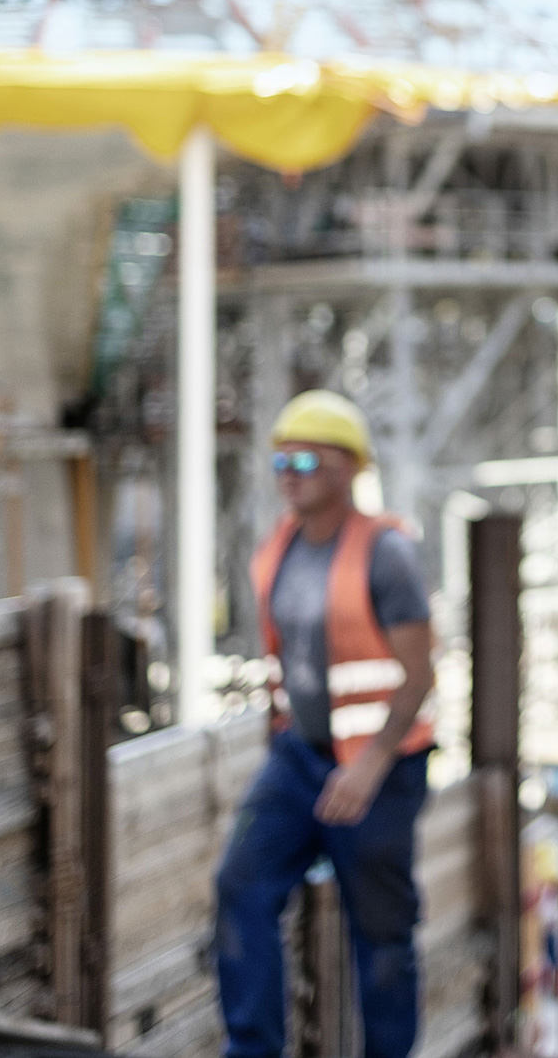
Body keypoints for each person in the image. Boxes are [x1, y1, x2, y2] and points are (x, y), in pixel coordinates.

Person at [214, 391, 437, 1058]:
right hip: (298, 757)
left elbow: (420, 672)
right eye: (280, 457)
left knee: (381, 929)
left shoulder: (385, 553)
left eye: (307, 456)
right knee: (240, 885)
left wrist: (368, 765)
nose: (290, 469)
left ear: (349, 467)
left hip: (382, 767)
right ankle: (252, 1047)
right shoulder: (276, 548)